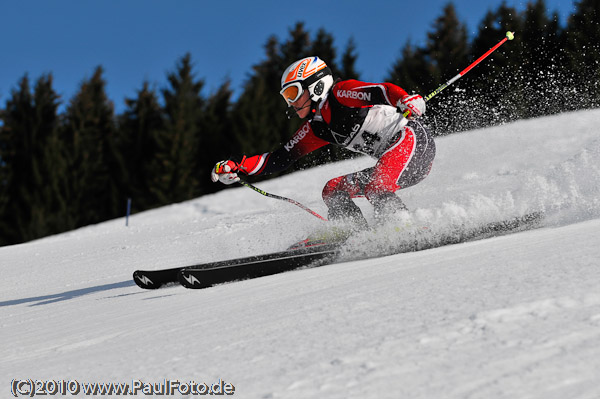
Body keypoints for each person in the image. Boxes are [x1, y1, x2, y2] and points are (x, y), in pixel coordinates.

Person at [211, 56, 436, 229]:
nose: (291, 103)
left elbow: (381, 91)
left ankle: (403, 228)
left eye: (293, 93)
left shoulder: (340, 94)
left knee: (377, 186)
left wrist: (405, 99)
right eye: (287, 98)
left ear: (316, 86)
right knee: (333, 189)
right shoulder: (316, 128)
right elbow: (280, 158)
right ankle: (354, 233)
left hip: (412, 141)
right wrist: (237, 166)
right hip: (395, 164)